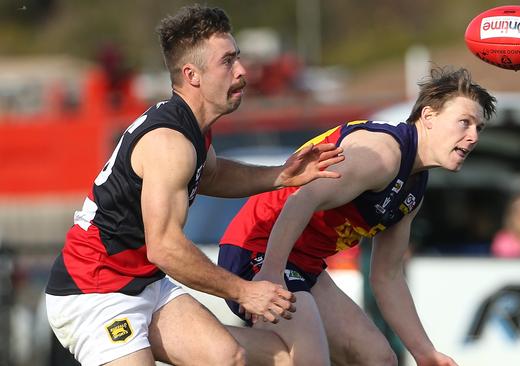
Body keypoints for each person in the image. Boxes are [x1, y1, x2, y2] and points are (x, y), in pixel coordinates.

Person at [44, 5, 344, 366]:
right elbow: (165, 249)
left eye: (238, 58)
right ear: (192, 74)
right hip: (93, 290)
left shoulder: (189, 128)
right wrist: (244, 292)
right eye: (228, 62)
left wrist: (280, 175)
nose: (242, 72)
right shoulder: (170, 143)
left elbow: (212, 174)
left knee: (229, 357)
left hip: (144, 283)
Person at [218, 66, 497, 366]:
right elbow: (303, 198)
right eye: (464, 123)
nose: (472, 137)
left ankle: (206, 344)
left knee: (378, 359)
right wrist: (271, 273)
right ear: (428, 117)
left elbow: (387, 276)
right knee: (309, 360)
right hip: (257, 250)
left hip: (303, 265)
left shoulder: (414, 186)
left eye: (478, 128)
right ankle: (199, 343)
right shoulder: (383, 154)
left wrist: (424, 352)